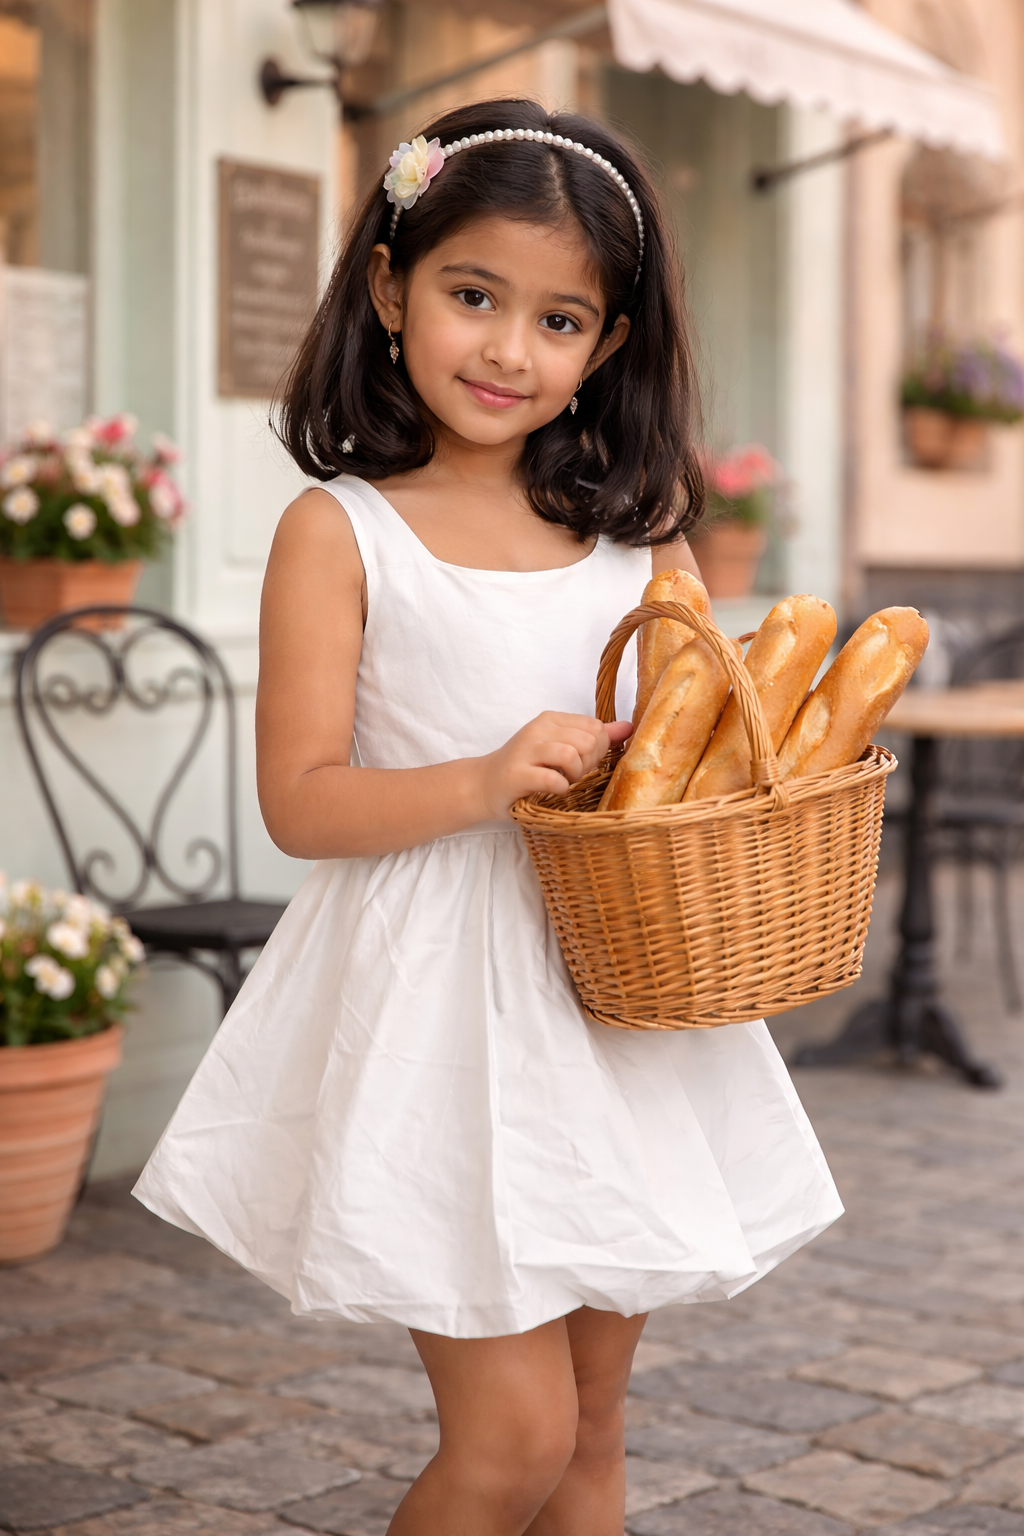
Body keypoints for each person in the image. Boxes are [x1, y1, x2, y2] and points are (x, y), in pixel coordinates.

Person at [134, 99, 841, 1535]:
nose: (512, 349)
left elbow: (687, 754)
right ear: (391, 287)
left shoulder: (638, 537)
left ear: (611, 346)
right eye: (474, 297)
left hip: (615, 999)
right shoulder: (342, 530)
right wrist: (481, 778)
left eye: (562, 320)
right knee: (512, 1438)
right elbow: (299, 803)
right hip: (443, 1012)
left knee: (591, 1439)